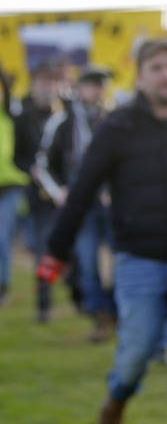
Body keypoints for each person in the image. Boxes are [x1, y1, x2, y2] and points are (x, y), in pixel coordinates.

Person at [37, 39, 167, 424]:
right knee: (137, 351)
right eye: (157, 67)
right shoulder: (118, 128)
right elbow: (83, 189)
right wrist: (57, 249)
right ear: (140, 75)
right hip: (139, 261)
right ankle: (119, 396)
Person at [40, 65, 116, 341]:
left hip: (114, 205)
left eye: (101, 84)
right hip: (81, 205)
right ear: (80, 88)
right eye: (92, 84)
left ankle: (118, 311)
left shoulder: (117, 120)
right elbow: (44, 165)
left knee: (125, 261)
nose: (98, 90)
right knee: (87, 261)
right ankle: (101, 318)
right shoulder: (63, 124)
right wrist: (60, 192)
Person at [14, 60, 64, 321]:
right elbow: (17, 157)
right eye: (44, 81)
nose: (48, 87)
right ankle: (44, 303)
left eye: (52, 82)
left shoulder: (66, 115)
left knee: (74, 251)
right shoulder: (22, 116)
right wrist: (31, 170)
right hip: (40, 197)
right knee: (44, 249)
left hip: (67, 195)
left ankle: (81, 294)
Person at [0, 67, 29, 306]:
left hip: (10, 186)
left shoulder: (9, 115)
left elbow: (7, 91)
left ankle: (3, 284)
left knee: (2, 236)